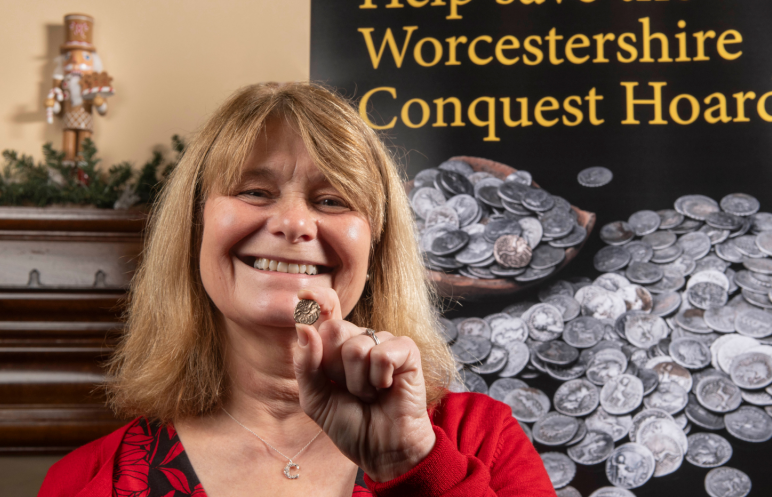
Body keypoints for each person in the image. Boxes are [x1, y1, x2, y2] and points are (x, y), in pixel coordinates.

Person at [38, 82, 556, 497]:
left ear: (376, 249)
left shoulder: (482, 440)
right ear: (194, 231)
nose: (293, 223)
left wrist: (415, 469)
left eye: (332, 200)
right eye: (254, 191)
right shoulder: (86, 481)